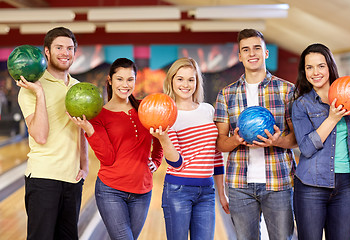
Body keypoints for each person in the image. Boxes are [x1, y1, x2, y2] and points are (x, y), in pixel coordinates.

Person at [214, 28, 297, 240]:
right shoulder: (226, 94)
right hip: (240, 185)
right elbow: (221, 143)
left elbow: (296, 139)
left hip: (279, 182)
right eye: (246, 49)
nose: (252, 53)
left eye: (257, 48)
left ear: (266, 53)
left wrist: (278, 141)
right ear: (239, 56)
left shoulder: (287, 90)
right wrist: (236, 140)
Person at [68, 58, 163, 240]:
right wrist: (89, 129)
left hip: (143, 191)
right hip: (111, 191)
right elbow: (107, 158)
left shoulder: (145, 107)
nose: (125, 85)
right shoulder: (99, 115)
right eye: (120, 79)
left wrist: (156, 160)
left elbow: (159, 134)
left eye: (130, 79)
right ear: (110, 80)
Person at [291, 43, 350, 240]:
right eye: (309, 67)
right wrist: (332, 118)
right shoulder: (302, 104)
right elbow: (306, 148)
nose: (315, 72)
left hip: (344, 185)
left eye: (320, 66)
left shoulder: (347, 97)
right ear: (304, 71)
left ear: (330, 67)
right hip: (311, 186)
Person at [17, 27, 88, 240]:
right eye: (59, 47)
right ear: (46, 51)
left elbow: (80, 130)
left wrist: (84, 165)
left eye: (70, 48)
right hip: (43, 178)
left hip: (72, 179)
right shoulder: (30, 86)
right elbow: (39, 136)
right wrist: (39, 93)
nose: (65, 52)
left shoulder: (78, 88)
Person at [150, 57, 229, 240]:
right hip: (178, 190)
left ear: (197, 82)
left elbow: (216, 156)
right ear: (171, 80)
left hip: (207, 192)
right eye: (180, 79)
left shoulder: (208, 110)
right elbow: (176, 163)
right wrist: (163, 139)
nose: (185, 84)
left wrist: (222, 193)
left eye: (191, 79)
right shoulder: (167, 114)